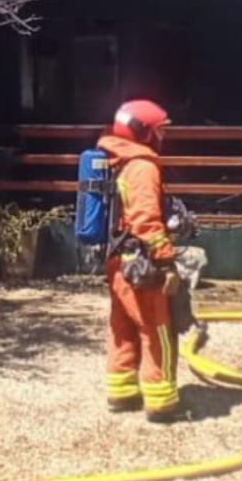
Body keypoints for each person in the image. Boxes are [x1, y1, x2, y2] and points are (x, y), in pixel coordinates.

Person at [98, 99, 184, 422]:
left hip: (117, 261)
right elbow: (146, 220)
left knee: (122, 326)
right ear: (144, 132)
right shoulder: (143, 166)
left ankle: (121, 391)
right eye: (159, 130)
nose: (162, 136)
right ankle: (161, 400)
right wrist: (166, 260)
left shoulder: (116, 160)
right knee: (156, 328)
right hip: (142, 263)